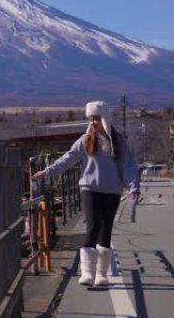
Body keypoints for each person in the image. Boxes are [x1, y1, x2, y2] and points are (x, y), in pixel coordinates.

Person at [31, 101, 140, 286]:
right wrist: (47, 172)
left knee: (106, 231)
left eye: (96, 118)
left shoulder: (119, 141)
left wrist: (134, 186)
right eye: (90, 119)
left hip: (112, 191)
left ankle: (101, 275)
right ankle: (87, 272)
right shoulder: (85, 140)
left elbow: (128, 165)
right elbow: (68, 158)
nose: (93, 122)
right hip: (90, 189)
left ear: (104, 118)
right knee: (93, 227)